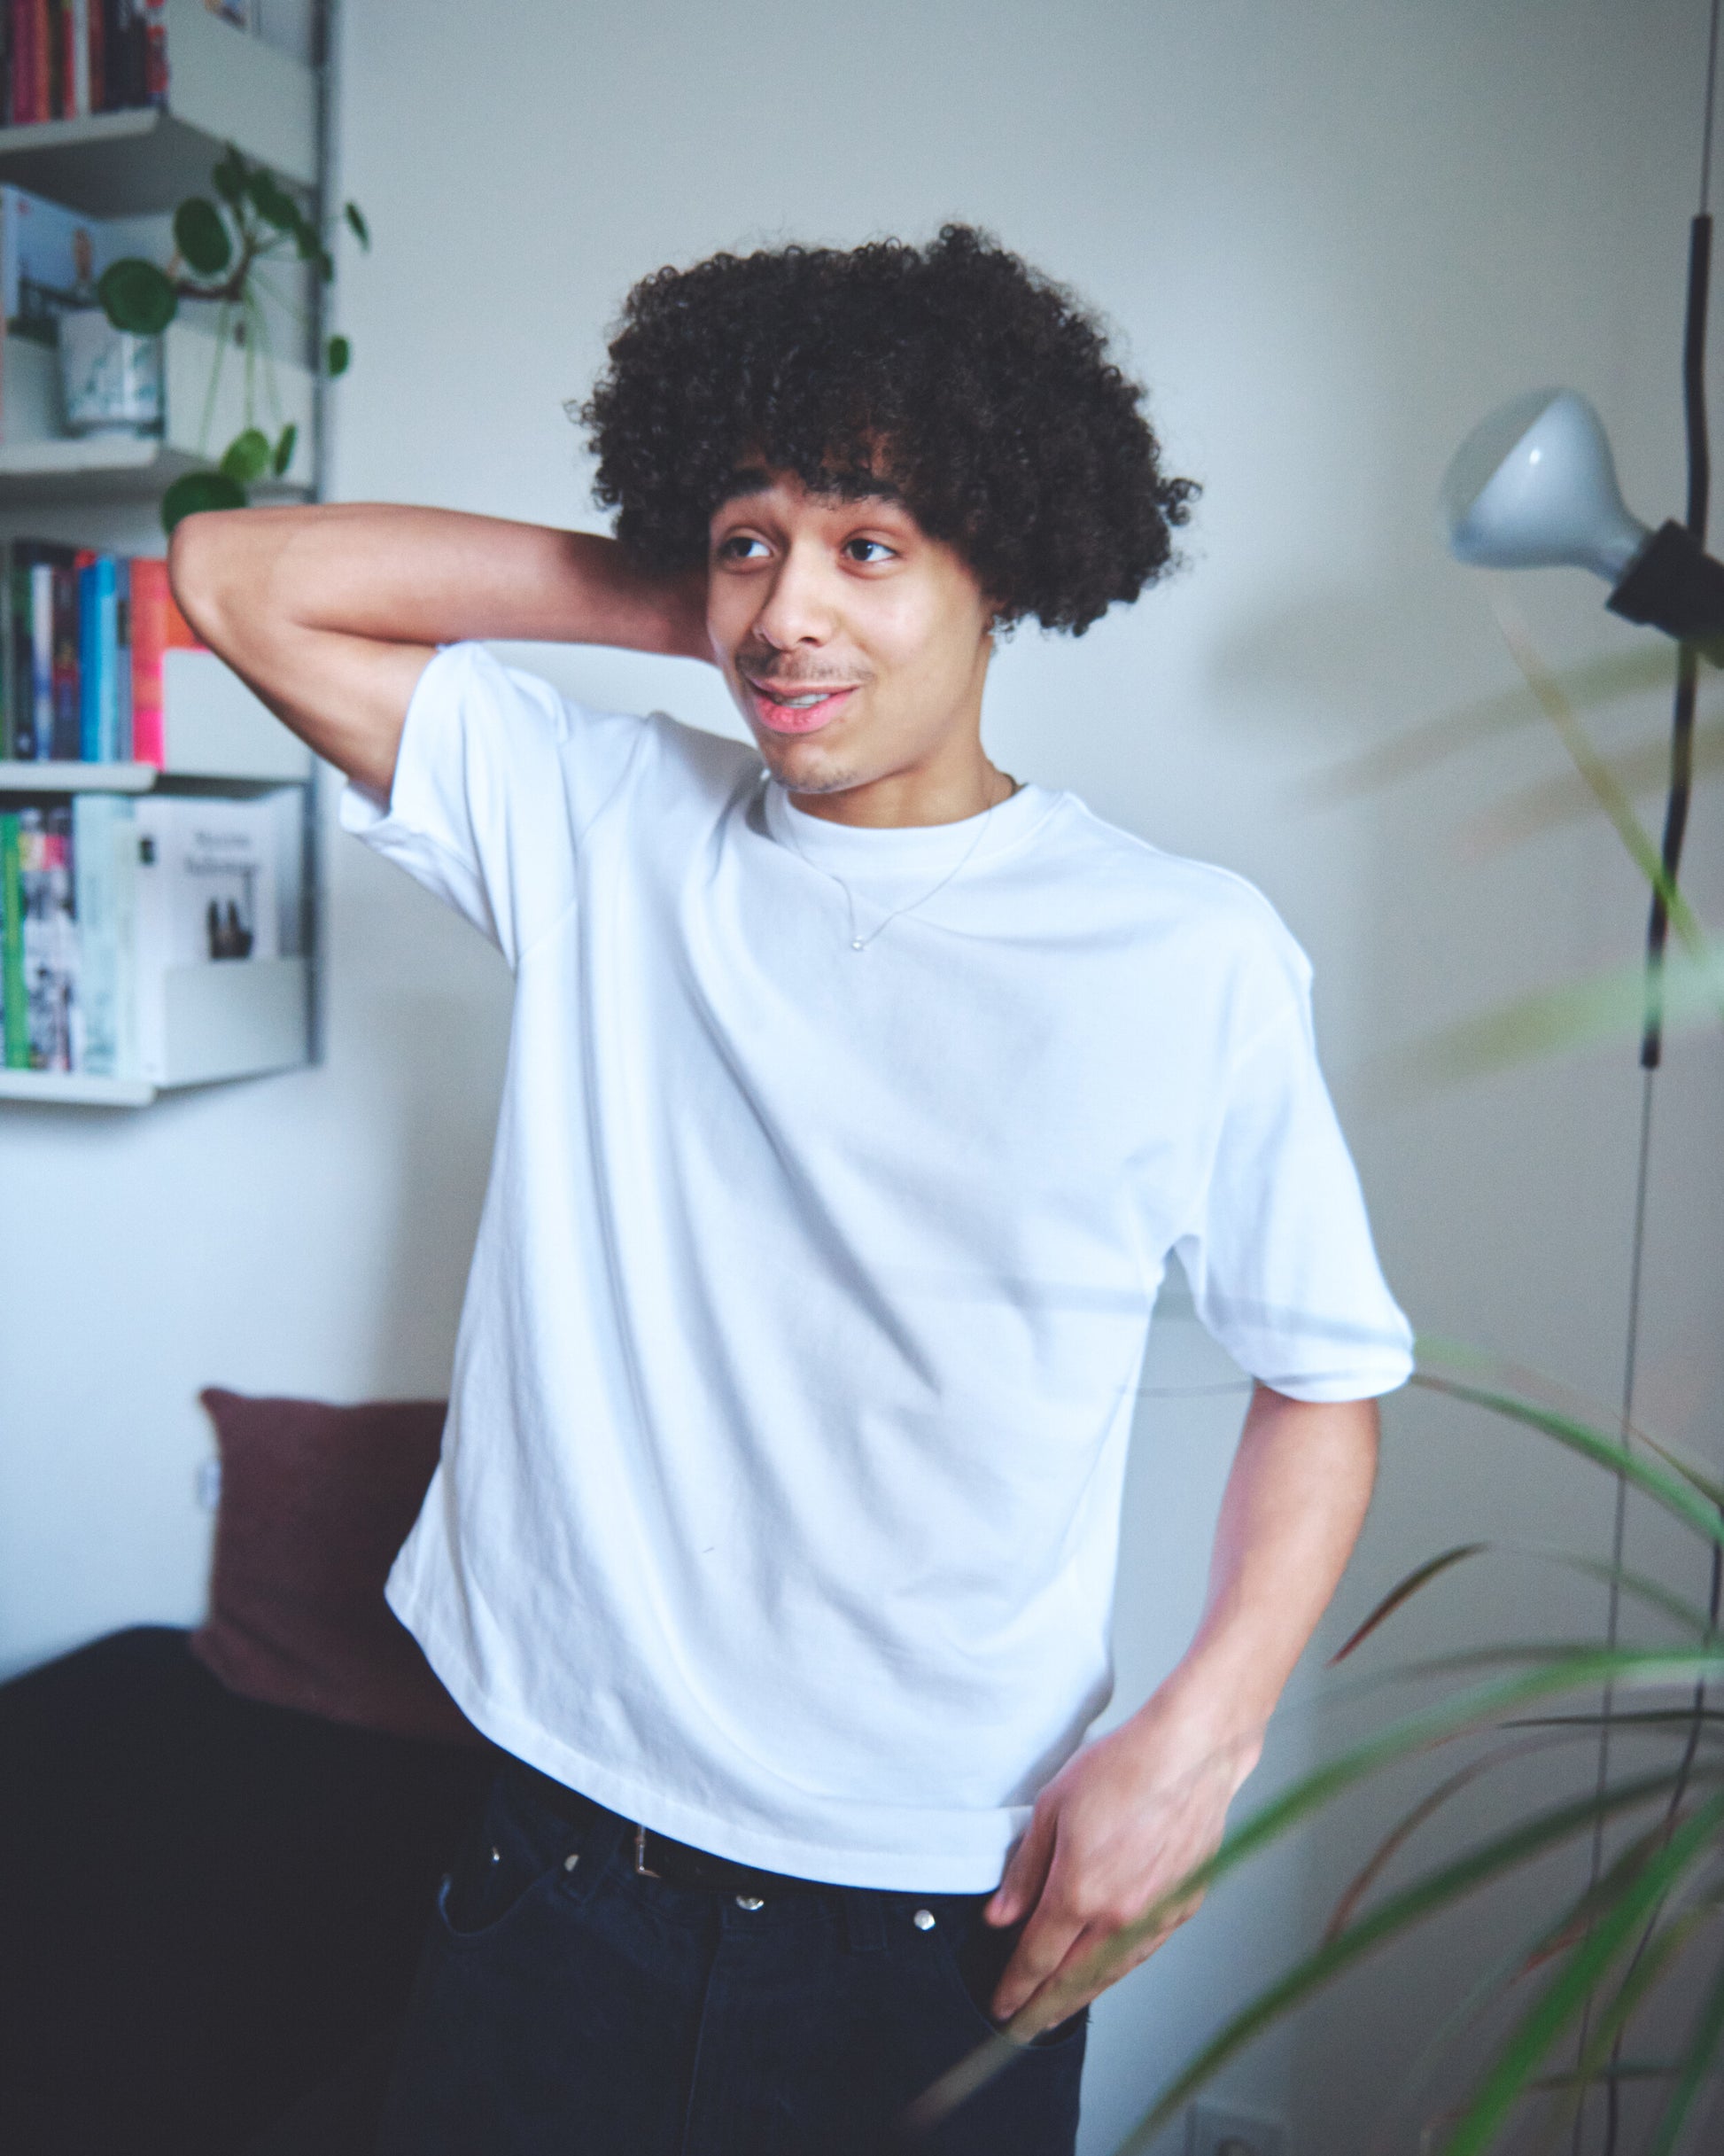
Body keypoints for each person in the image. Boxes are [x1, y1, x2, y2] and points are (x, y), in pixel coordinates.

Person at [170, 224, 1412, 2156]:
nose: (786, 614)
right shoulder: (601, 824)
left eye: (872, 545)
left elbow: (1325, 1374)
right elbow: (234, 576)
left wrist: (1202, 1733)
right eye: (749, 537)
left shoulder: (1187, 955)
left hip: (934, 1921)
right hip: (548, 1865)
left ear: (1005, 561)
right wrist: (719, 588)